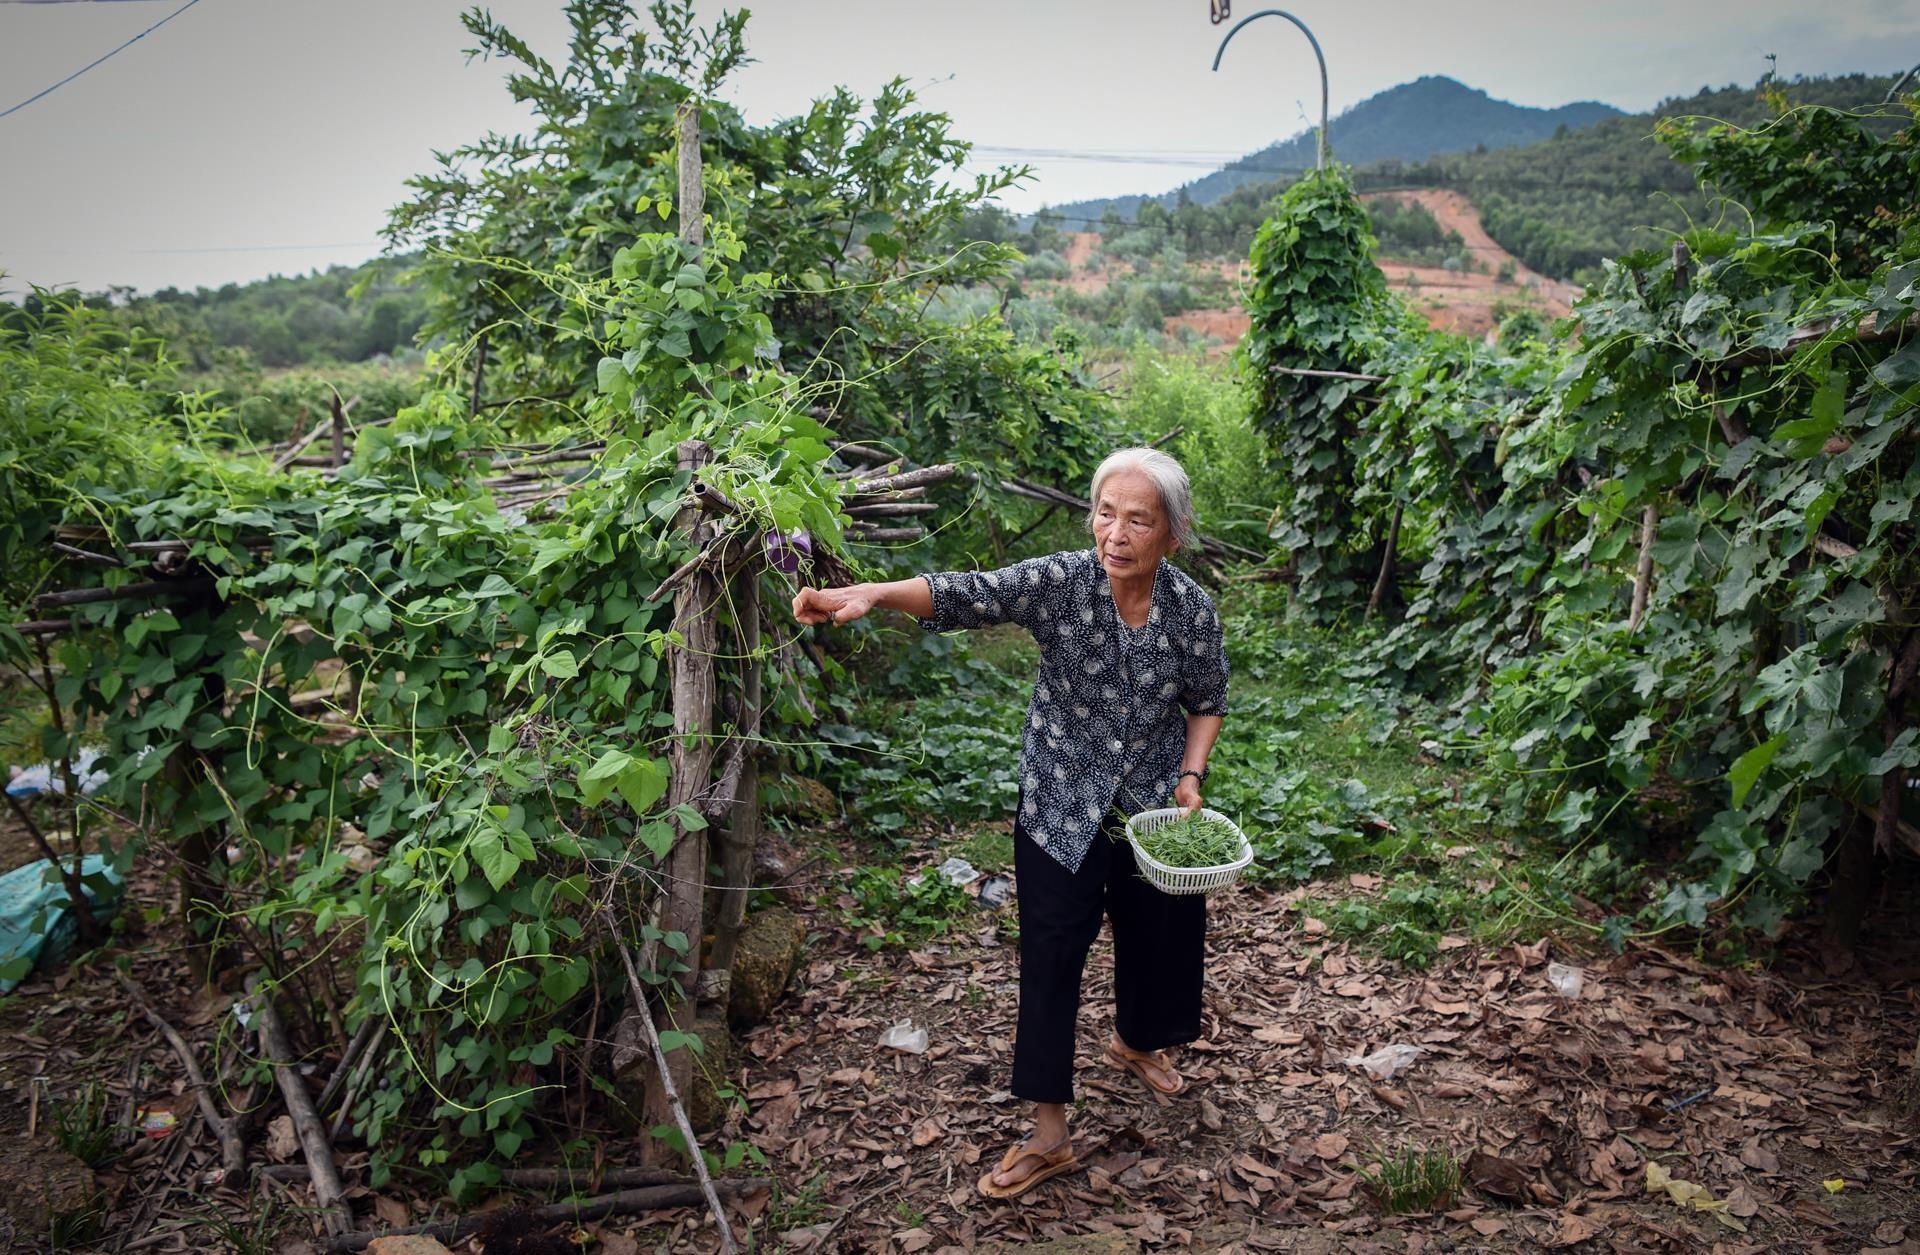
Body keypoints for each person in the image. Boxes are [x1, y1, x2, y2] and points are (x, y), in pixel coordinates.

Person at [789, 447, 1228, 1200]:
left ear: (1173, 535)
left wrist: (1190, 777)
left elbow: (1207, 698)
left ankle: (1133, 1039)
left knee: (1163, 929)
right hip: (1060, 802)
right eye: (1105, 513)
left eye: (1137, 519)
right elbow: (966, 593)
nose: (1114, 533)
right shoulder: (1062, 583)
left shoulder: (1191, 609)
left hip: (1151, 806)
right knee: (1052, 953)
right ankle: (1049, 1132)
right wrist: (869, 593)